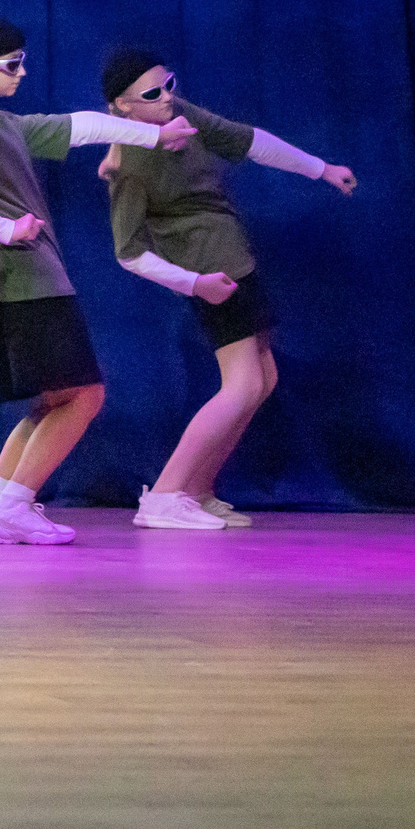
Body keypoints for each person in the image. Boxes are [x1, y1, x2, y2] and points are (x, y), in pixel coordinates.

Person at [0, 15, 194, 545]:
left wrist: (155, 135)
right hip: (21, 280)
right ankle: (10, 508)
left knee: (53, 401)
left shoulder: (1, 124)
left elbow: (84, 126)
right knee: (84, 396)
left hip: (14, 281)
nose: (21, 72)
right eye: (11, 64)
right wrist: (6, 228)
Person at [96, 48, 356, 530]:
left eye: (169, 84)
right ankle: (164, 495)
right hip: (209, 271)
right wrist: (195, 284)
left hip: (236, 258)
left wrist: (320, 168)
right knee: (243, 384)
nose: (166, 97)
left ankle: (196, 490)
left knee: (263, 379)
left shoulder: (181, 115)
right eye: (151, 94)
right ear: (122, 106)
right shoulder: (129, 163)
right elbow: (128, 252)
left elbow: (247, 140)